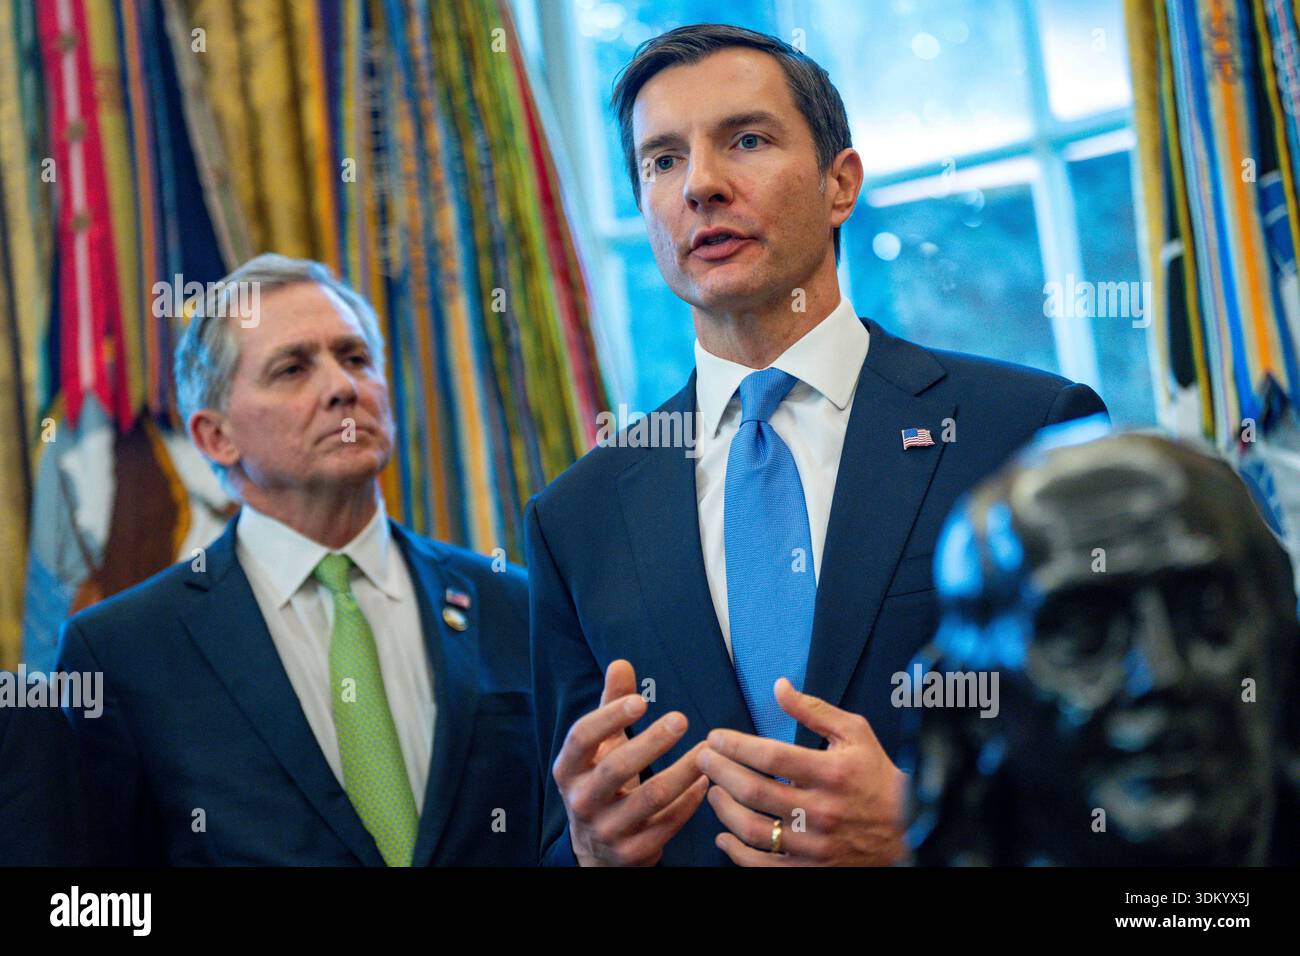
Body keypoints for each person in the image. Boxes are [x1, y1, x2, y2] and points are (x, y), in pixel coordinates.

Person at [527, 24, 1108, 866]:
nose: (701, 186)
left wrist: (930, 835)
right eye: (661, 161)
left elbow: (1147, 809)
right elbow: (553, 834)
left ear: (842, 185)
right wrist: (587, 852)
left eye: (746, 140)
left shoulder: (1029, 433)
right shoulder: (575, 520)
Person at [57, 254, 537, 865]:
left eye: (356, 358)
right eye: (292, 369)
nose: (342, 387)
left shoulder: (511, 602)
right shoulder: (123, 653)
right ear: (215, 437)